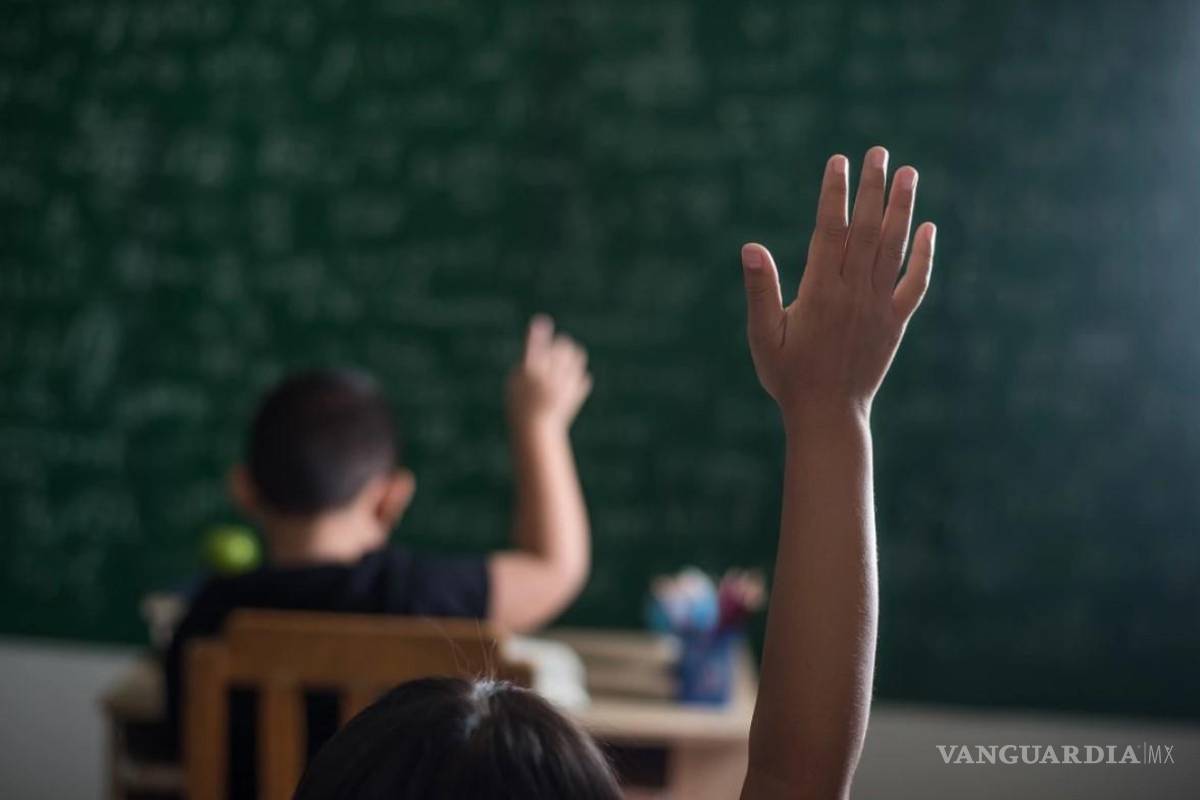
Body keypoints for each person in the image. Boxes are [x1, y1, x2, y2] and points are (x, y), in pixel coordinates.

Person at [293, 145, 937, 800]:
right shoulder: (409, 592)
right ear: (390, 496)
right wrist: (831, 409)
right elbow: (795, 777)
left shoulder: (227, 611)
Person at [164, 315, 595, 797]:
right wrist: (539, 424)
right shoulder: (418, 597)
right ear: (390, 498)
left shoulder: (207, 619)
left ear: (244, 490)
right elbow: (554, 569)